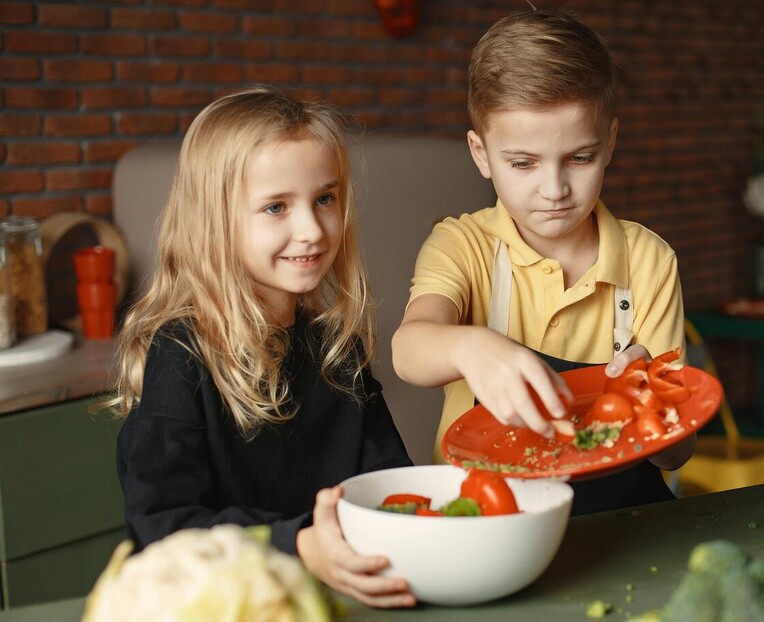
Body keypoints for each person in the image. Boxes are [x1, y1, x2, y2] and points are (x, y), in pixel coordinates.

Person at [106, 86, 416, 608]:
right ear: (215, 221)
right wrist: (298, 544)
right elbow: (166, 527)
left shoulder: (335, 347)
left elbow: (392, 488)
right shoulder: (180, 354)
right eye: (276, 207)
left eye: (325, 198)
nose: (312, 230)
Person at [392, 8, 694, 515]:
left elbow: (679, 455)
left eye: (579, 158)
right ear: (481, 153)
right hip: (489, 518)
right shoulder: (462, 245)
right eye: (523, 163)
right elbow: (408, 350)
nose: (554, 190)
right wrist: (471, 346)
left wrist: (653, 403)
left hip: (619, 522)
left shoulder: (649, 260)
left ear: (610, 143)